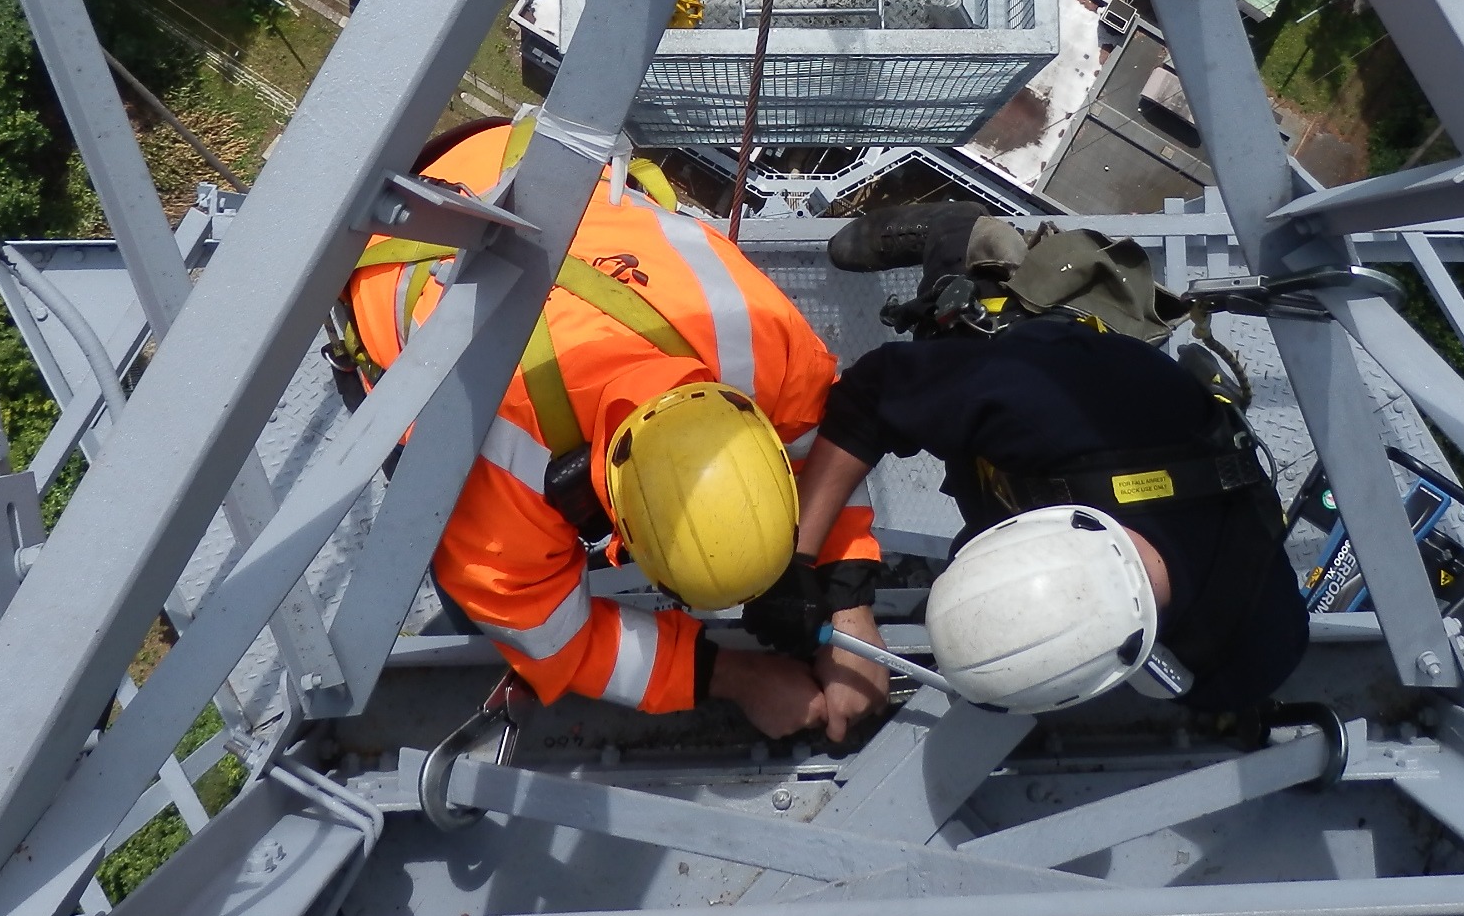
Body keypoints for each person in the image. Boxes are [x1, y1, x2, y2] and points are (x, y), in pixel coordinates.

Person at [340, 118, 886, 740]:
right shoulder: (490, 476)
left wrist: (847, 605)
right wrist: (737, 677)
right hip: (395, 237)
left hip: (513, 162)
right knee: (479, 600)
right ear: (616, 522)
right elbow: (550, 635)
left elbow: (821, 445)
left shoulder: (758, 338)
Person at [746, 206, 1307, 717]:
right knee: (957, 331)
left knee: (973, 427)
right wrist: (803, 564)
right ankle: (958, 233)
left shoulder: (1249, 652)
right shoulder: (1060, 407)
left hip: (1084, 466)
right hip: (1069, 390)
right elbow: (870, 399)